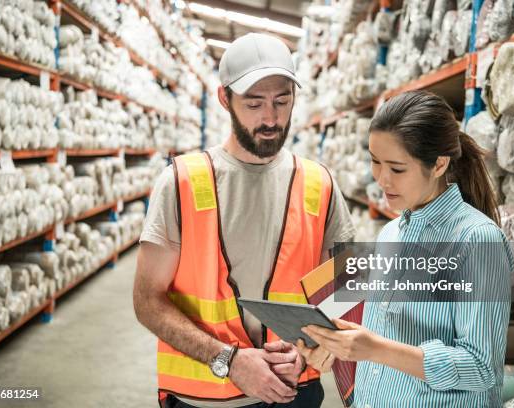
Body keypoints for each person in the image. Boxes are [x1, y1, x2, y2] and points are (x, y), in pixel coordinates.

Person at [133, 33, 355, 408]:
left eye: (281, 101)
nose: (270, 118)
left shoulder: (320, 184)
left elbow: (348, 287)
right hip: (202, 398)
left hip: (294, 394)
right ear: (225, 99)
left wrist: (310, 348)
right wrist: (228, 360)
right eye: (254, 104)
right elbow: (146, 301)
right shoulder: (181, 182)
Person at [298, 91, 514, 407]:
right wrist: (338, 346)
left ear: (439, 164)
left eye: (397, 169)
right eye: (374, 162)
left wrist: (375, 349)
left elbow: (481, 369)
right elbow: (385, 333)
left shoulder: (477, 240)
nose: (382, 180)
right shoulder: (390, 234)